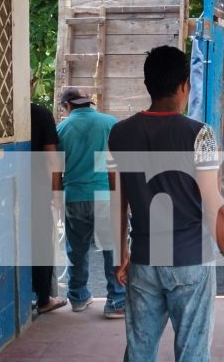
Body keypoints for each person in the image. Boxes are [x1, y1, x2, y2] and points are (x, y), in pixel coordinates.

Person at [108, 46, 224, 362]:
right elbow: (214, 206)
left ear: (148, 84)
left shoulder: (119, 134)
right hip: (190, 260)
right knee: (192, 353)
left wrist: (122, 255)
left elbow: (118, 202)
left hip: (144, 261)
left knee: (139, 352)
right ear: (185, 85)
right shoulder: (200, 134)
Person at [56, 88, 126, 318]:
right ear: (89, 104)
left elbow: (56, 169)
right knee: (112, 249)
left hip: (75, 196)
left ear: (67, 106)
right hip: (105, 195)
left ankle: (77, 297)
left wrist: (56, 198)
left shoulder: (62, 129)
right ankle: (116, 301)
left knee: (76, 249)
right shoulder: (110, 123)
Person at [30, 98, 67, 314]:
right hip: (37, 191)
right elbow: (52, 159)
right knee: (42, 243)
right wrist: (57, 193)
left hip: (6, 189)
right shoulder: (40, 114)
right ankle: (44, 299)